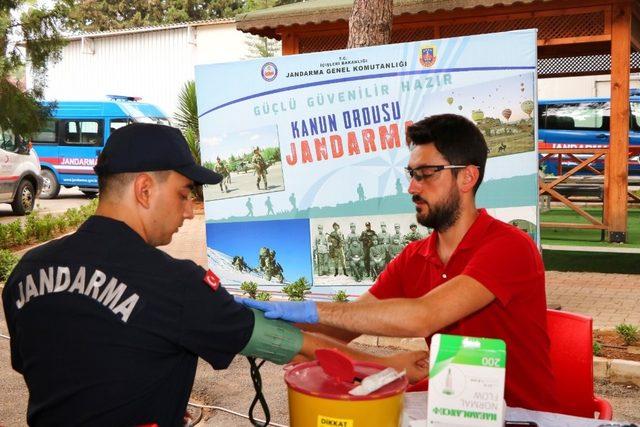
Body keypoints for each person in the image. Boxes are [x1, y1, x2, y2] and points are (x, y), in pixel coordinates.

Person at [2, 123, 428, 426]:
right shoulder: (173, 282)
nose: (189, 211)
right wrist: (387, 367)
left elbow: (40, 367)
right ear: (145, 189)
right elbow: (292, 347)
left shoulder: (28, 271)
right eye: (184, 194)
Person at [240, 114, 558, 412]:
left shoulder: (509, 247)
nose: (412, 187)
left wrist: (312, 309)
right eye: (411, 175)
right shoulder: (414, 257)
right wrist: (261, 329)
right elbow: (346, 327)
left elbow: (424, 317)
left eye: (425, 175)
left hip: (524, 415)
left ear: (467, 177)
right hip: (452, 408)